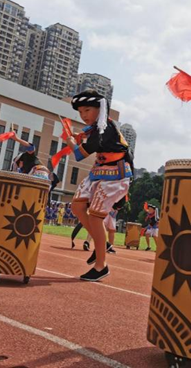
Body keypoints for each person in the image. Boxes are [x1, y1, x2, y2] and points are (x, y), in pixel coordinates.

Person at [66, 89, 133, 281]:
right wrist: (79, 136)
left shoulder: (104, 129)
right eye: (80, 112)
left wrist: (71, 142)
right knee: (77, 206)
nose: (83, 115)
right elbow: (89, 136)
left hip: (115, 175)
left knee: (96, 218)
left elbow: (80, 154)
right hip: (99, 172)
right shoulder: (98, 127)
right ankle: (101, 243)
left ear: (100, 109)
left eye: (87, 110)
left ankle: (101, 265)